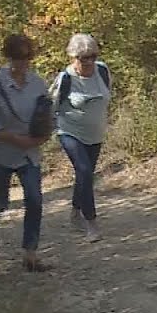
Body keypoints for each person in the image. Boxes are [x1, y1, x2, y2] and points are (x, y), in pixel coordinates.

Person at [0, 34, 51, 271]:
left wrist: (44, 133)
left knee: (35, 199)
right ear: (9, 57)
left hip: (28, 152)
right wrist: (12, 138)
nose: (23, 62)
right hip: (0, 152)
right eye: (18, 58)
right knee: (0, 202)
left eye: (27, 57)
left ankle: (30, 253)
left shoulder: (38, 83)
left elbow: (47, 113)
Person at [51, 33, 112, 243]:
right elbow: (53, 106)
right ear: (72, 57)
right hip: (70, 132)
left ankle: (75, 210)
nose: (88, 62)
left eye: (92, 56)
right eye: (83, 58)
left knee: (85, 175)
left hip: (95, 134)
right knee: (84, 171)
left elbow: (106, 96)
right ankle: (91, 223)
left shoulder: (103, 71)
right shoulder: (66, 78)